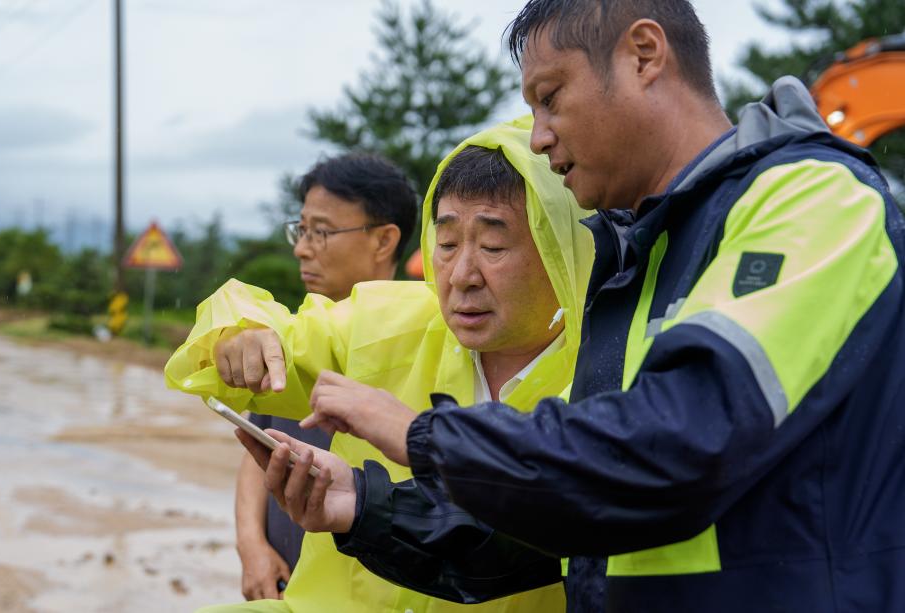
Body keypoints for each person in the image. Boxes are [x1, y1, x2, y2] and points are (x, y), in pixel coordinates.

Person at [253, 1, 905, 612]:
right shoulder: (641, 261)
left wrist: (422, 433)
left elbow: (676, 445)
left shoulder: (813, 202)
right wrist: (360, 505)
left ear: (644, 55)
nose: (538, 137)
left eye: (550, 97)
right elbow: (569, 515)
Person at [164, 117, 595, 612]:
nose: (461, 275)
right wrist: (241, 332)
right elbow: (282, 334)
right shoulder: (386, 321)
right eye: (447, 245)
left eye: (493, 247)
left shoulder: (605, 379)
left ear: (561, 250)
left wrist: (393, 463)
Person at [234, 154, 417, 601]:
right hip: (281, 587)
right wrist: (252, 547)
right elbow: (256, 449)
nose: (302, 248)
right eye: (301, 230)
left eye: (321, 232)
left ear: (384, 240)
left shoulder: (417, 349)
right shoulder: (292, 339)